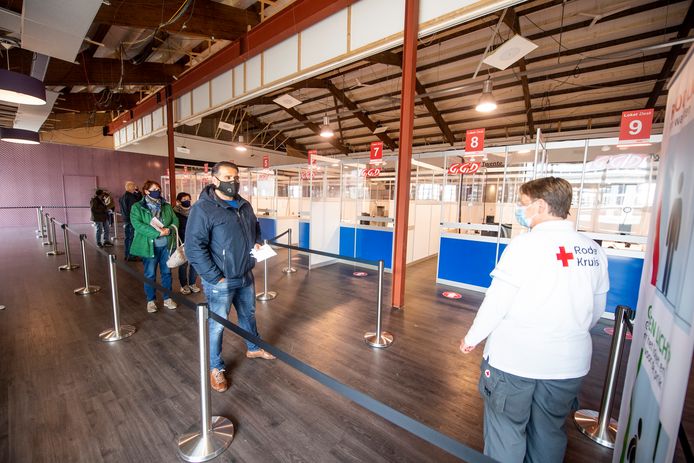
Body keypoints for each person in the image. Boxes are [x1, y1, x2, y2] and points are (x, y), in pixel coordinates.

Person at [460, 177, 609, 463]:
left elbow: (497, 302)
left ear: (540, 205)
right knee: (549, 432)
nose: (520, 209)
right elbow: (596, 309)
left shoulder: (525, 245)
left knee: (506, 429)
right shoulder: (592, 249)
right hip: (569, 363)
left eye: (523, 203)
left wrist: (472, 338)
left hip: (515, 360)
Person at [186, 161, 275, 394]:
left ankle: (253, 347)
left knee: (248, 315)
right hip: (221, 280)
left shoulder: (244, 204)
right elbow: (194, 247)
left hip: (245, 274)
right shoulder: (203, 209)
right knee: (217, 326)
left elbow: (255, 229)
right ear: (214, 179)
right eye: (227, 177)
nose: (232, 182)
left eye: (235, 177)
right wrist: (215, 277)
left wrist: (257, 241)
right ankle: (215, 367)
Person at [129, 180, 179, 313]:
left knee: (167, 273)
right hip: (149, 246)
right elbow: (138, 225)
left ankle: (167, 298)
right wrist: (157, 233)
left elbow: (175, 220)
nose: (157, 191)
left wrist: (169, 229)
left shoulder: (166, 206)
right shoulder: (137, 207)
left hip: (166, 245)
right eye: (154, 189)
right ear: (146, 191)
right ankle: (151, 300)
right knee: (150, 274)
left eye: (158, 189)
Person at [173, 191, 200, 295]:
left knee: (194, 263)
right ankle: (184, 285)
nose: (187, 201)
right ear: (179, 201)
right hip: (182, 240)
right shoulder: (175, 212)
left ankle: (192, 283)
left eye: (188, 199)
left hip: (194, 240)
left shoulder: (195, 210)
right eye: (184, 199)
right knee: (183, 264)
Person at [119, 181, 142, 261]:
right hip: (131, 219)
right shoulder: (131, 197)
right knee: (131, 238)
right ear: (131, 187)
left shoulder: (123, 197)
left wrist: (137, 192)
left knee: (127, 238)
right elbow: (135, 207)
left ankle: (127, 254)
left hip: (125, 219)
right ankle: (131, 255)